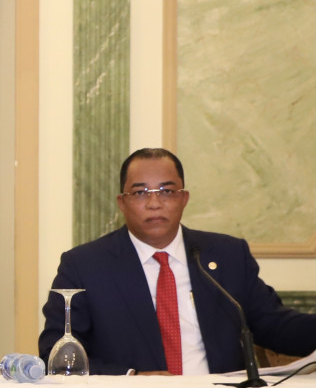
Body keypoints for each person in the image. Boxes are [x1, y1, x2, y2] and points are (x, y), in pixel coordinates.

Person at [39, 147, 316, 375]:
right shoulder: (85, 266)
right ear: (122, 203)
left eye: (167, 191)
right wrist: (131, 377)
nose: (154, 203)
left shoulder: (227, 255)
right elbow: (56, 355)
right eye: (140, 193)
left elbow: (275, 326)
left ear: (184, 199)